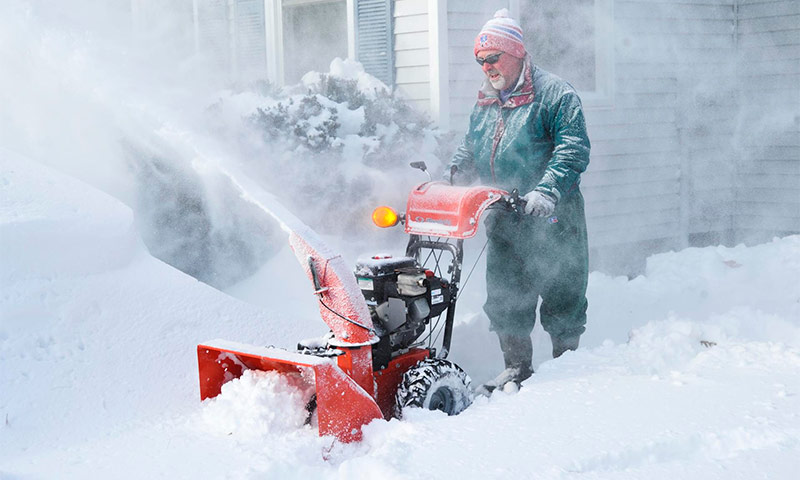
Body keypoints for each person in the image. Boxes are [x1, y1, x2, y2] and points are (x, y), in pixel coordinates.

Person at [446, 9, 590, 393]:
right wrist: (454, 175)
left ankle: (567, 368)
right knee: (507, 294)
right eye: (481, 61)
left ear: (515, 53)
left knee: (563, 294)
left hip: (553, 216)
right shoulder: (487, 102)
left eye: (492, 58)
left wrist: (547, 190)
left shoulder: (556, 94)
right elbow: (470, 147)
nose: (486, 67)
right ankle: (517, 369)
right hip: (506, 218)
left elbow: (573, 150)